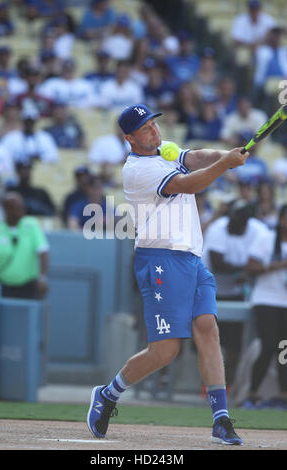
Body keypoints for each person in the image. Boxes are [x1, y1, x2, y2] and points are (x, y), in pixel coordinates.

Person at [87, 103, 249, 445]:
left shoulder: (164, 150)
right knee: (165, 351)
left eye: (154, 124)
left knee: (208, 329)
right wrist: (225, 164)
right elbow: (189, 184)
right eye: (146, 128)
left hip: (191, 258)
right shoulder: (136, 171)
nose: (154, 131)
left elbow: (196, 156)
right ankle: (108, 394)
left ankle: (221, 420)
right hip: (160, 259)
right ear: (129, 138)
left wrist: (226, 153)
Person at [201, 201, 268, 388]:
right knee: (208, 340)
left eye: (238, 221)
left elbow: (264, 260)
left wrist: (249, 272)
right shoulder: (217, 228)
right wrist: (245, 271)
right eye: (232, 218)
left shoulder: (258, 230)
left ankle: (227, 384)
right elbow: (218, 264)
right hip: (209, 290)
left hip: (236, 293)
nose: (233, 223)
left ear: (247, 222)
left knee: (234, 344)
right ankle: (206, 385)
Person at [243, 204, 287, 410]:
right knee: (269, 345)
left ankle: (283, 396)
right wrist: (276, 265)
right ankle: (251, 395)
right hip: (266, 298)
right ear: (280, 219)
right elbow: (250, 267)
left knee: (284, 348)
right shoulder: (266, 238)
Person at [0, 192, 49, 299]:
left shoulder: (31, 225)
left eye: (22, 206)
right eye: (18, 208)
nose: (23, 210)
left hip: (28, 286)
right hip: (3, 287)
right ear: (7, 209)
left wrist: (42, 278)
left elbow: (43, 252)